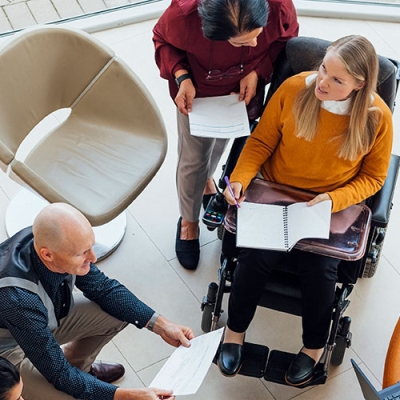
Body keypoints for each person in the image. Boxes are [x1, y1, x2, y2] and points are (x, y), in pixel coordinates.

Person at [219, 35, 393, 386]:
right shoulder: (296, 89)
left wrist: (334, 200)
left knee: (320, 271)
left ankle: (313, 348)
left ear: (359, 85)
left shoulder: (377, 118)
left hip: (326, 205)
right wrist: (239, 179)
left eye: (337, 80)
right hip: (276, 192)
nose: (323, 82)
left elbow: (374, 178)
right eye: (323, 69)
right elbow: (261, 141)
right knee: (253, 258)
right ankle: (233, 333)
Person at [152, 0, 299, 270]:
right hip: (197, 91)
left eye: (257, 35)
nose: (254, 45)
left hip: (242, 91)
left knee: (223, 140)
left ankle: (207, 180)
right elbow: (163, 40)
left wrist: (258, 70)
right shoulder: (185, 15)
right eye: (242, 43)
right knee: (193, 157)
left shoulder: (279, 6)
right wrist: (181, 77)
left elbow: (286, 38)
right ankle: (189, 221)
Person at [0, 203, 195, 400]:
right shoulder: (19, 300)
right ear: (47, 255)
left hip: (40, 322)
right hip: (8, 354)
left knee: (118, 312)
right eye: (81, 254)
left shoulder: (50, 240)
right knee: (73, 394)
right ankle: (79, 385)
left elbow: (104, 288)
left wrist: (162, 325)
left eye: (90, 247)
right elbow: (59, 373)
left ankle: (81, 371)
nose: (92, 258)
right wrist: (127, 396)